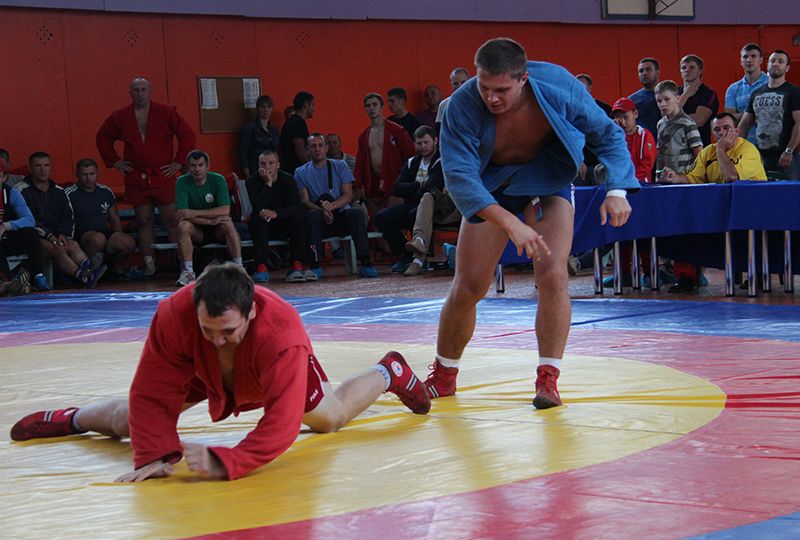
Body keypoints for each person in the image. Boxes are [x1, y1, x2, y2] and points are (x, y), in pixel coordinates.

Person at [9, 263, 430, 482]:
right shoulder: (173, 315)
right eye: (207, 330)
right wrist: (154, 454)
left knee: (330, 419)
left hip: (262, 370)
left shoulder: (283, 334)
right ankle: (72, 418)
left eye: (228, 331)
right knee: (130, 421)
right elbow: (152, 392)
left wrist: (231, 460)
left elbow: (282, 423)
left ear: (251, 312)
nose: (217, 339)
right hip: (200, 370)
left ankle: (388, 371)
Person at [427, 38, 637, 409]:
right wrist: (510, 222)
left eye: (502, 90)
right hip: (491, 187)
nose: (491, 98)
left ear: (523, 79)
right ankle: (443, 375)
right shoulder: (461, 104)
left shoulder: (559, 86)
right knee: (470, 285)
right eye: (484, 87)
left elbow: (607, 134)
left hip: (547, 178)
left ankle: (548, 378)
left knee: (554, 275)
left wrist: (617, 189)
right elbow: (459, 177)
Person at [96, 77, 196, 279]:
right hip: (136, 176)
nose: (140, 93)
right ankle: (149, 264)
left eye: (143, 89)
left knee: (172, 219)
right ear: (130, 93)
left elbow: (187, 134)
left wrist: (178, 162)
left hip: (162, 174)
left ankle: (181, 264)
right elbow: (102, 137)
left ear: (150, 91)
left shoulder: (166, 112)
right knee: (143, 220)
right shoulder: (121, 116)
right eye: (136, 90)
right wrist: (114, 161)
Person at [295, 134, 379, 279]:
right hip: (319, 215)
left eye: (320, 145)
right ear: (307, 149)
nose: (317, 149)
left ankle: (366, 263)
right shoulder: (300, 172)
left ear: (326, 148)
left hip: (339, 214)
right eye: (313, 146)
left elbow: (348, 195)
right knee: (311, 217)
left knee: (356, 214)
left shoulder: (340, 166)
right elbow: (305, 201)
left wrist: (332, 206)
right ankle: (315, 265)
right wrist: (323, 210)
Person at [18, 152, 107, 289]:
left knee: (72, 245)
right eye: (38, 166)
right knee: (57, 249)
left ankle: (88, 266)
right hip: (32, 236)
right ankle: (84, 277)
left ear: (51, 167)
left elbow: (68, 217)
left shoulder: (59, 191)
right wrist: (49, 236)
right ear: (30, 168)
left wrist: (63, 234)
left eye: (46, 165)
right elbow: (27, 219)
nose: (42, 169)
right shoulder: (21, 190)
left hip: (56, 235)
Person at [174, 150, 243, 287]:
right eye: (193, 165)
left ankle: (239, 268)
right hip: (197, 231)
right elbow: (182, 214)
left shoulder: (218, 179)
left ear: (207, 166)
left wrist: (193, 213)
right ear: (188, 168)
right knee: (183, 225)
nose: (197, 169)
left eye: (200, 165)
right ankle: (188, 272)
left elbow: (225, 210)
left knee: (228, 223)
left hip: (218, 229)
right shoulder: (181, 182)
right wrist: (209, 221)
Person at [245, 150, 315, 284]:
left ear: (278, 165)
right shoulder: (252, 181)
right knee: (257, 220)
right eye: (263, 164)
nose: (267, 167)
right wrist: (268, 184)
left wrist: (276, 213)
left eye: (271, 163)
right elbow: (258, 207)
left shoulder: (288, 179)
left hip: (284, 223)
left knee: (298, 218)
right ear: (258, 166)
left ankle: (296, 264)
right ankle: (261, 267)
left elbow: (296, 206)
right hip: (265, 226)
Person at [65, 159, 136, 280]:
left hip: (104, 232)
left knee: (127, 242)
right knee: (98, 239)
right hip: (82, 235)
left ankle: (115, 268)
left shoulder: (105, 191)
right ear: (77, 175)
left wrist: (119, 234)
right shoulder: (69, 193)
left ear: (97, 174)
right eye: (84, 174)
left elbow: (114, 218)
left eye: (92, 174)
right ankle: (89, 271)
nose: (89, 178)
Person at [738, 50, 800, 180]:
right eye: (772, 61)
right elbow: (745, 123)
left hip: (786, 157)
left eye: (780, 61)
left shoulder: (793, 92)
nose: (775, 64)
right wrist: (738, 148)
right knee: (760, 190)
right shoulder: (756, 93)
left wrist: (789, 150)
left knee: (789, 191)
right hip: (760, 156)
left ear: (787, 68)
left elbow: (799, 122)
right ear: (767, 65)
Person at [353, 93, 416, 216]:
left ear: (382, 107)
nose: (371, 108)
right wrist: (357, 185)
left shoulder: (397, 131)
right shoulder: (364, 136)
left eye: (374, 104)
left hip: (394, 180)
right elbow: (360, 163)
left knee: (394, 218)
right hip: (373, 184)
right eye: (368, 106)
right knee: (376, 221)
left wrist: (407, 182)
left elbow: (411, 156)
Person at [661, 113, 767, 185]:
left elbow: (732, 177)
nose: (721, 132)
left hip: (752, 199)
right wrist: (675, 177)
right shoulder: (707, 152)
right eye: (717, 129)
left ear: (736, 132)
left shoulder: (748, 150)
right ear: (712, 134)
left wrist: (720, 148)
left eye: (726, 128)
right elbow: (692, 177)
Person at [0, 160, 36, 294]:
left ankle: (37, 276)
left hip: (5, 238)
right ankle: (15, 282)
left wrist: (5, 226)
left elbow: (29, 220)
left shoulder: (11, 193)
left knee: (31, 234)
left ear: (4, 177)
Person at [655, 80, 703, 176]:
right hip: (663, 177)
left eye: (667, 99)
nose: (663, 104)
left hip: (682, 177)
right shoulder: (660, 124)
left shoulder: (687, 123)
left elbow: (699, 153)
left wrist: (692, 177)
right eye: (659, 101)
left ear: (677, 99)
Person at [724, 43, 768, 144]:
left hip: (769, 145)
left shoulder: (770, 84)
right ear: (741, 61)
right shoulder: (733, 89)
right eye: (745, 57)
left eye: (753, 56)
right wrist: (754, 113)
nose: (749, 60)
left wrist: (741, 115)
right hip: (743, 144)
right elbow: (730, 119)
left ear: (761, 60)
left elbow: (771, 117)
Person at [678, 54, 720, 147]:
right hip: (677, 146)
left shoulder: (708, 93)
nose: (687, 70)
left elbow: (698, 120)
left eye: (691, 67)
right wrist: (685, 95)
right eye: (683, 67)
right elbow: (665, 117)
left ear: (700, 71)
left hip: (699, 146)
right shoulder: (675, 92)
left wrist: (674, 118)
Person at [238, 95, 280, 178]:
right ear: (257, 109)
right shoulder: (250, 128)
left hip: (272, 171)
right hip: (255, 169)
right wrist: (248, 173)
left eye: (269, 107)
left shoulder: (273, 130)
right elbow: (242, 151)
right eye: (262, 107)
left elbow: (276, 151)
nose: (266, 110)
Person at [279, 91, 314, 174]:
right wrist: (312, 169)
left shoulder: (292, 121)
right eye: (312, 105)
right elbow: (300, 152)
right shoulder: (298, 123)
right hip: (295, 171)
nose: (314, 109)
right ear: (306, 105)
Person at [629, 57, 662, 139]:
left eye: (648, 69)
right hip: (643, 143)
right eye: (641, 71)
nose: (644, 73)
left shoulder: (669, 95)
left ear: (657, 72)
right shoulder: (632, 100)